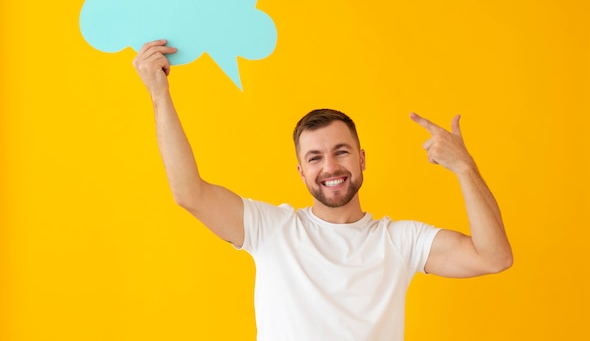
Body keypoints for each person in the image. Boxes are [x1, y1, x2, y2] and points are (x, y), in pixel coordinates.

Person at [133, 39, 513, 341]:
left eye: (341, 152)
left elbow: (493, 258)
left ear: (362, 159)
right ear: (301, 171)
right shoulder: (271, 229)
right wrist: (159, 94)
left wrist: (465, 168)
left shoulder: (401, 241)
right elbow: (189, 193)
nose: (330, 167)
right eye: (315, 158)